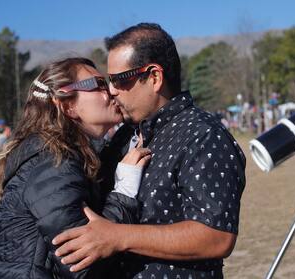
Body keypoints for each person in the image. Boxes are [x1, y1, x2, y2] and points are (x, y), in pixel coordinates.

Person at [52, 23, 246, 278]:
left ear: (154, 77)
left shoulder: (203, 135)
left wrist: (117, 236)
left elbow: (216, 236)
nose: (111, 90)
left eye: (119, 80)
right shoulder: (125, 134)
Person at [0, 57, 151, 279]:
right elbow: (82, 264)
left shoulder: (68, 155)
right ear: (69, 106)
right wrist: (124, 189)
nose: (113, 91)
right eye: (100, 85)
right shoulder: (52, 162)